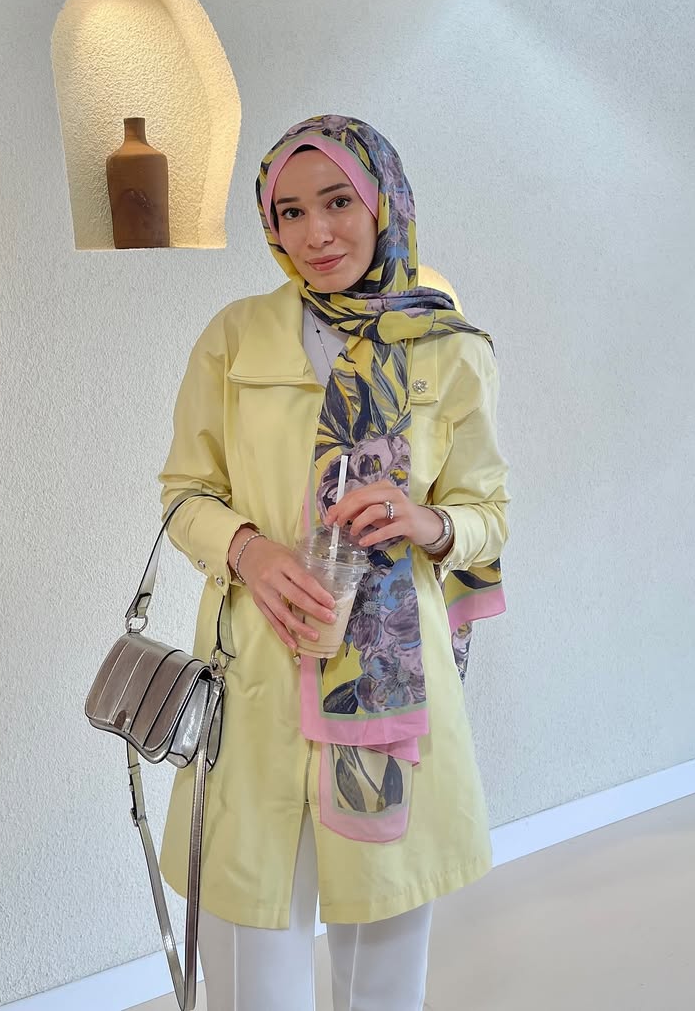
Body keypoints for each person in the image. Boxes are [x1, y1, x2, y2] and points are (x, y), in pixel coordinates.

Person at [158, 115, 511, 1011]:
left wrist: (426, 522)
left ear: (383, 203)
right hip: (258, 672)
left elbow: (487, 516)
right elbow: (184, 494)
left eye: (337, 202)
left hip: (389, 687)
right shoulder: (235, 338)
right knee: (252, 948)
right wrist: (247, 549)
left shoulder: (449, 349)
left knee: (382, 959)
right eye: (289, 212)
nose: (315, 233)